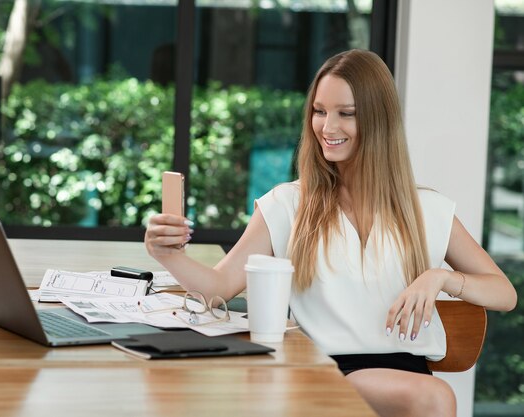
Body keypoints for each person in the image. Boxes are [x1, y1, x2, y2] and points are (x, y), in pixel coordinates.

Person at [144, 49, 517, 417]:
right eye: (319, 112)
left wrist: (440, 278)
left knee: (430, 395)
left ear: (379, 120)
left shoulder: (428, 209)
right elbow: (218, 287)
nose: (327, 127)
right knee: (435, 398)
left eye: (346, 114)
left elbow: (504, 293)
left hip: (408, 377)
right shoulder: (288, 204)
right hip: (324, 373)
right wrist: (168, 254)